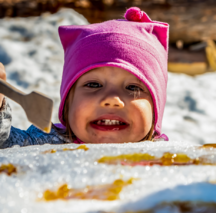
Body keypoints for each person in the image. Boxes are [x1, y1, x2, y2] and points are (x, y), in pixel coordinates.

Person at [0, 7, 169, 148]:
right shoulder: (46, 144)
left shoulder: (166, 159)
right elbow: (5, 148)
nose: (111, 99)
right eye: (94, 84)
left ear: (155, 110)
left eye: (132, 88)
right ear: (68, 103)